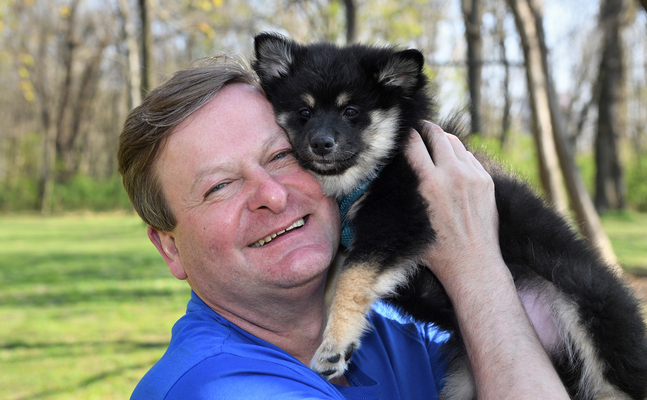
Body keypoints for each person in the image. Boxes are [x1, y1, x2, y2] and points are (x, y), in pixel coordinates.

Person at [118, 55, 569, 399]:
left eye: (282, 156)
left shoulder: (401, 325)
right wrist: (476, 268)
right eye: (219, 186)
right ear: (169, 248)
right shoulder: (217, 387)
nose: (272, 196)